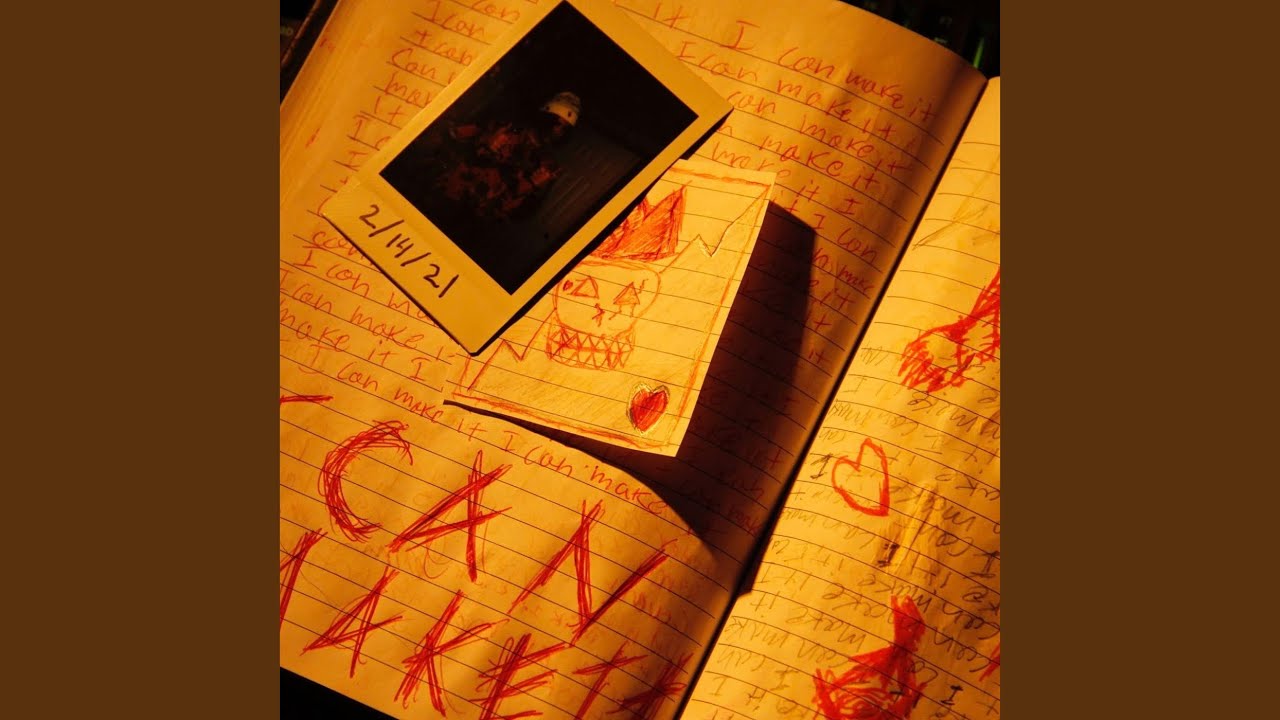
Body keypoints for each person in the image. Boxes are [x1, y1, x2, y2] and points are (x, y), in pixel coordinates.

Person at [432, 91, 581, 223]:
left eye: (564, 129)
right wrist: (484, 142)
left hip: (471, 219)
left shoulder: (546, 166)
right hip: (444, 192)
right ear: (543, 116)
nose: (557, 129)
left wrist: (530, 185)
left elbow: (522, 213)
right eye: (554, 122)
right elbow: (450, 137)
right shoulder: (505, 126)